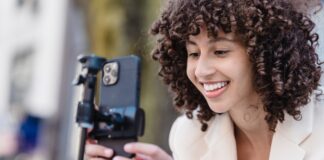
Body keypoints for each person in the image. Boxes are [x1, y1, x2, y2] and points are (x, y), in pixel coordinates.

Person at [85, 0, 324, 159]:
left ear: (266, 52)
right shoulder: (188, 136)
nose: (201, 70)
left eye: (220, 51)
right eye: (194, 53)